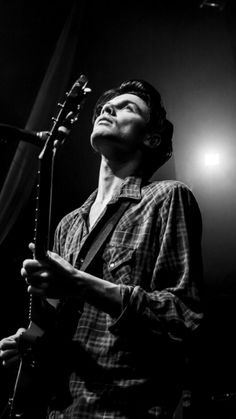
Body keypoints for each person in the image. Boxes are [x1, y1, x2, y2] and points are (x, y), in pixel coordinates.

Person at [0, 79, 203, 418]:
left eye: (128, 108)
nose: (109, 108)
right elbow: (62, 326)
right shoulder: (68, 224)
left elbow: (183, 318)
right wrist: (33, 343)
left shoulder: (167, 198)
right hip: (62, 410)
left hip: (124, 409)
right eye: (108, 105)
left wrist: (82, 284)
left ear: (151, 138)